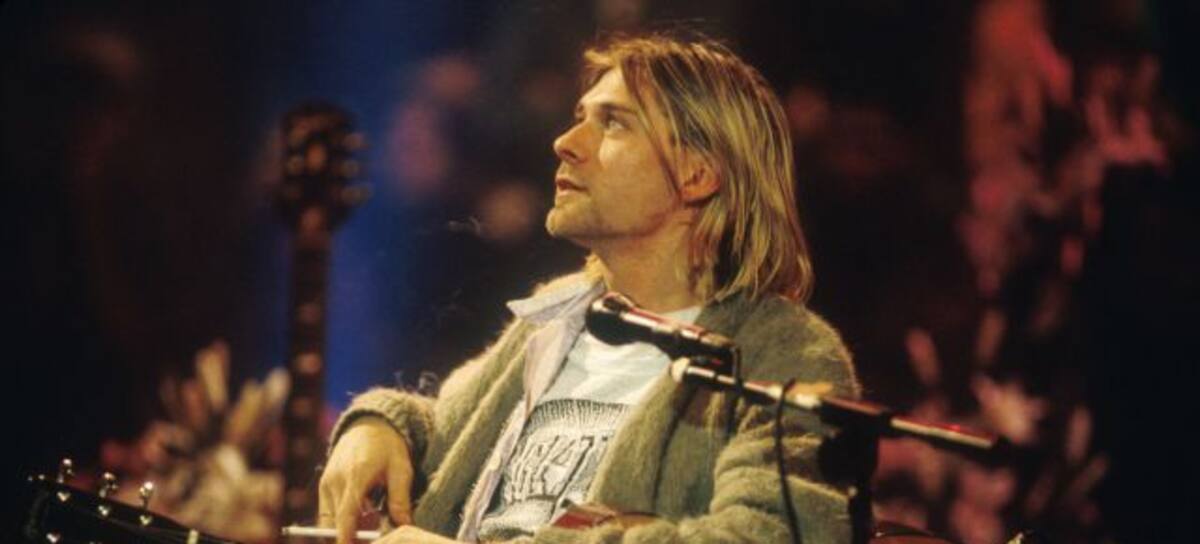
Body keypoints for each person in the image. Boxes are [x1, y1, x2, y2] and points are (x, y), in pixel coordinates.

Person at [317, 33, 861, 544]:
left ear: (697, 174)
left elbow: (766, 534)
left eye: (614, 123)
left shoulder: (783, 353)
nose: (565, 142)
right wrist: (379, 426)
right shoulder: (561, 316)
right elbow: (442, 428)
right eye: (580, 117)